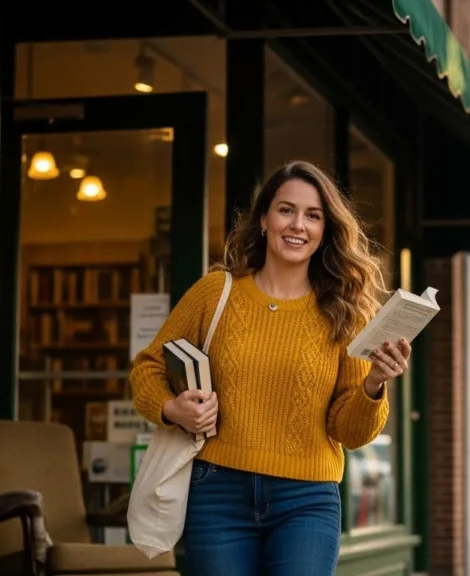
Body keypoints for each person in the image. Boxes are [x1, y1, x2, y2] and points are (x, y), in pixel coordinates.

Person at [128, 160, 410, 576]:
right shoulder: (216, 293)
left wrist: (373, 384)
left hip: (307, 501)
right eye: (286, 210)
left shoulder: (345, 315)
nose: (298, 225)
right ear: (263, 220)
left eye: (313, 215)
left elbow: (350, 434)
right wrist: (174, 409)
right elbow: (147, 367)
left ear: (324, 231)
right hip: (218, 494)